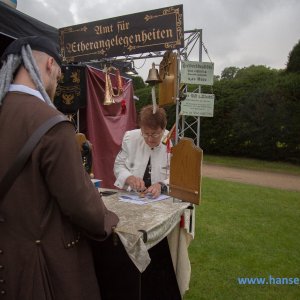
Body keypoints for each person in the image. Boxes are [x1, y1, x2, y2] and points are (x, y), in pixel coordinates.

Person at [0, 36, 119, 300]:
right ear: (50, 65)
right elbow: (81, 205)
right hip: (42, 272)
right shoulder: (52, 123)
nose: (57, 82)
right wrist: (109, 218)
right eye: (59, 74)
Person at [114, 104, 170, 198]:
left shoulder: (174, 144)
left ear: (163, 129)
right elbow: (119, 165)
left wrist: (161, 185)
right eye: (145, 134)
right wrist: (129, 178)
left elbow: (181, 177)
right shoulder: (130, 138)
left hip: (164, 200)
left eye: (155, 134)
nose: (149, 139)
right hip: (134, 197)